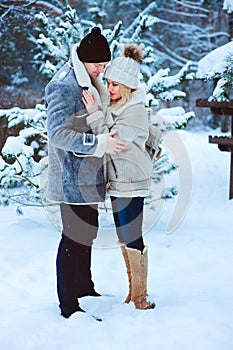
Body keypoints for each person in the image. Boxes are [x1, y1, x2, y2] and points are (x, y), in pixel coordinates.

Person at [44, 27, 126, 319]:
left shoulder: (90, 81)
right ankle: (68, 304)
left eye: (105, 66)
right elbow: (58, 134)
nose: (101, 71)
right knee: (73, 238)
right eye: (97, 65)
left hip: (90, 178)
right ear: (83, 59)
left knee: (86, 235)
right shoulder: (64, 85)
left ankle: (84, 288)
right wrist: (99, 143)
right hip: (71, 177)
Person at [82, 43, 156, 310]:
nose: (109, 88)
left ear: (127, 87)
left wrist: (93, 114)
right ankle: (132, 292)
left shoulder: (134, 110)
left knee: (132, 236)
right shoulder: (116, 107)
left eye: (115, 85)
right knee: (124, 236)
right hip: (118, 181)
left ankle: (140, 297)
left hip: (131, 182)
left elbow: (113, 141)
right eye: (108, 82)